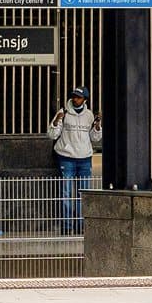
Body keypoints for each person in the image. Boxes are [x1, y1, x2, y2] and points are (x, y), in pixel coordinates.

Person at [49, 86, 102, 233]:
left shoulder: (89, 115)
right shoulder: (63, 113)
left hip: (85, 158)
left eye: (78, 97)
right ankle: (66, 227)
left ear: (85, 99)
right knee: (66, 193)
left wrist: (98, 127)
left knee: (83, 193)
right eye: (73, 96)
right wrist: (56, 121)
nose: (75, 99)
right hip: (66, 157)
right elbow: (52, 134)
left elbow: (94, 138)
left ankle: (80, 226)